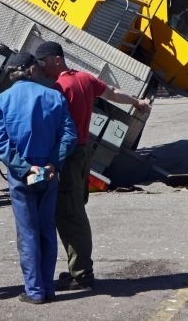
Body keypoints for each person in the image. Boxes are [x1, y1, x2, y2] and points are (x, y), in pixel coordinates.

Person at [34, 41, 151, 291]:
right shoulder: (85, 79)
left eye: (43, 63)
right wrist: (137, 102)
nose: (42, 68)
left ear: (56, 60)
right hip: (85, 152)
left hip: (70, 154)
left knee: (70, 213)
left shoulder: (59, 88)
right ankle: (79, 267)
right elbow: (112, 94)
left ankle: (82, 273)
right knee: (75, 207)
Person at [0, 51, 77, 304]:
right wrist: (52, 163)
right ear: (32, 70)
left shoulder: (0, 102)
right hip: (48, 173)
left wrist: (24, 168)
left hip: (20, 176)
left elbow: (1, 145)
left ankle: (34, 291)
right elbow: (68, 135)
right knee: (47, 230)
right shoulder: (54, 97)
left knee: (27, 233)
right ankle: (47, 288)